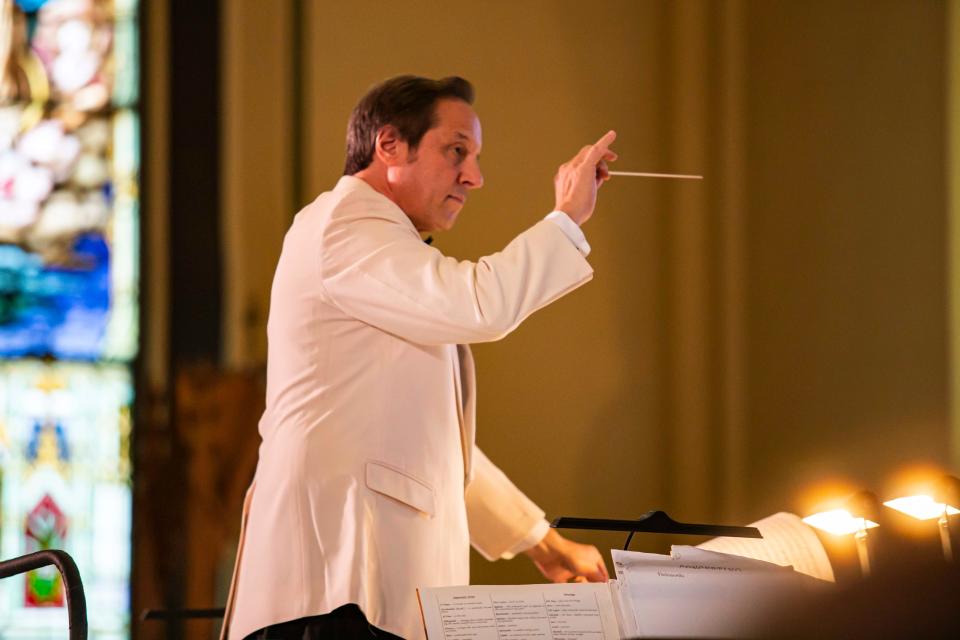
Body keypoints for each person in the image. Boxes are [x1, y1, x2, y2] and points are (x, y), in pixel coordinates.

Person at [221, 75, 618, 640]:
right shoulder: (344, 224)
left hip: (375, 586)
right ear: (389, 146)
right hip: (332, 588)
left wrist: (544, 544)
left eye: (475, 158)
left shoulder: (386, 251)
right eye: (457, 151)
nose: (474, 177)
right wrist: (566, 219)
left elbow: (436, 440)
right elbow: (480, 303)